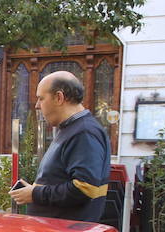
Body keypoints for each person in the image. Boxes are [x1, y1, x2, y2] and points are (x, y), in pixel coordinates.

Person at [8, 71, 110, 222]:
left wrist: (35, 193)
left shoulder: (84, 132)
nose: (37, 105)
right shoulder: (73, 129)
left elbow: (84, 188)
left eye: (41, 98)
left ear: (59, 97)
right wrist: (35, 189)